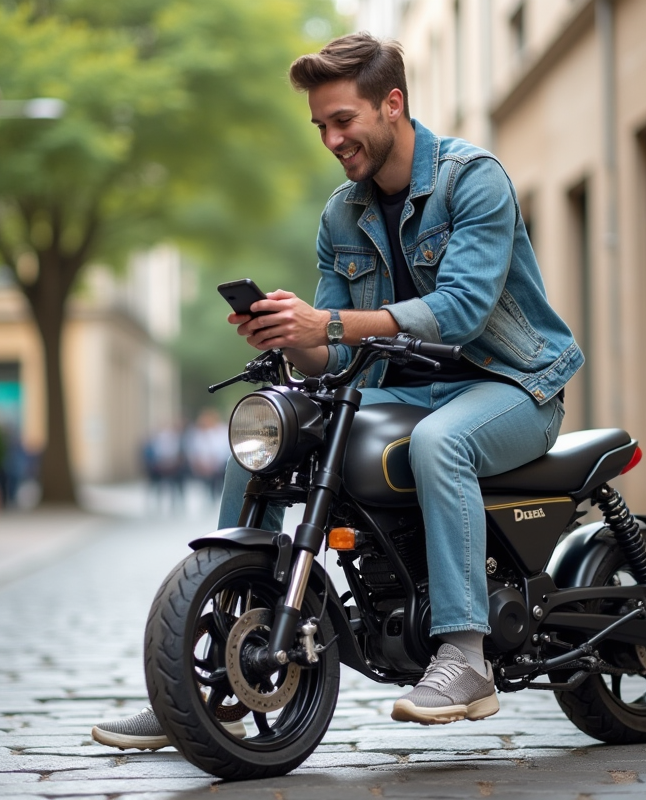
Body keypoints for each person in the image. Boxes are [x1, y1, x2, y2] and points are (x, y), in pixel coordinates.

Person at [91, 32, 582, 751]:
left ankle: (465, 653)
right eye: (320, 124)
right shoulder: (340, 215)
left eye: (342, 120)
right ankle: (205, 681)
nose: (330, 138)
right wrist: (290, 335)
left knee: (440, 445)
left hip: (511, 385)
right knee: (262, 437)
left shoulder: (474, 180)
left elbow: (463, 311)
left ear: (392, 104)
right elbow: (333, 349)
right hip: (399, 395)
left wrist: (327, 320)